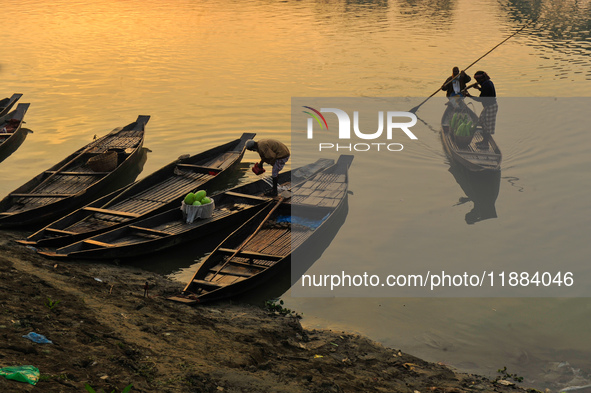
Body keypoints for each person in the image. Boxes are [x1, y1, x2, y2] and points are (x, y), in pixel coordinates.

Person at [464, 70, 497, 149]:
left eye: (477, 80)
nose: (477, 81)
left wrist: (469, 96)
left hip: (491, 107)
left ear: (481, 79)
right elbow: (486, 92)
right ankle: (484, 141)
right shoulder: (487, 83)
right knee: (482, 121)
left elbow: (481, 99)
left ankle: (486, 144)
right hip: (487, 107)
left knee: (487, 126)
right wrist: (478, 88)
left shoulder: (487, 85)